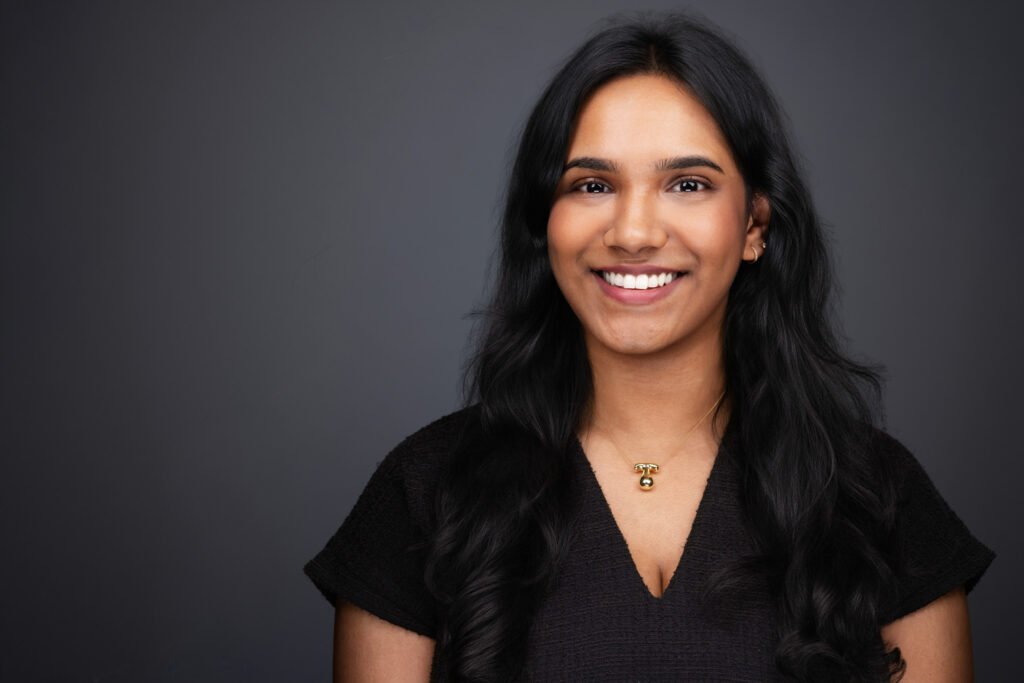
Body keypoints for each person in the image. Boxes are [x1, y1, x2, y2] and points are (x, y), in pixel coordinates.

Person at [304, 11, 994, 682]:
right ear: (545, 223)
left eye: (687, 184)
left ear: (755, 225)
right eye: (592, 185)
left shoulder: (876, 496)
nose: (633, 232)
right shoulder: (423, 491)